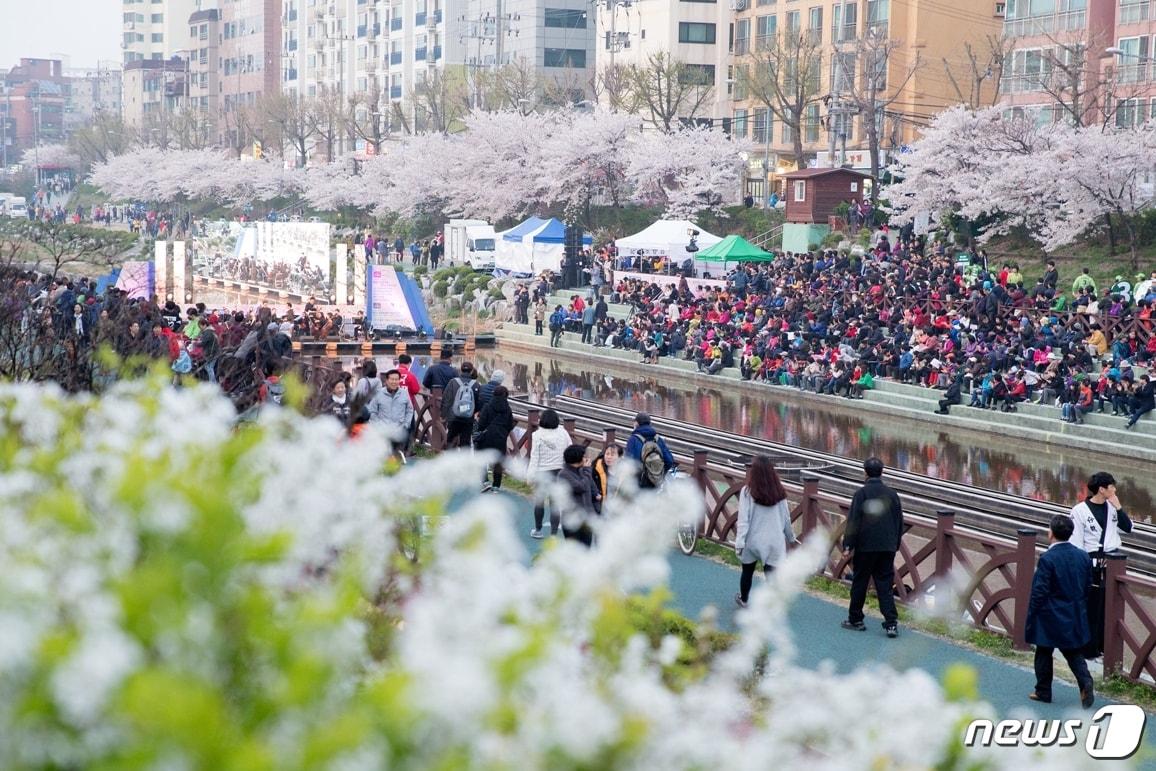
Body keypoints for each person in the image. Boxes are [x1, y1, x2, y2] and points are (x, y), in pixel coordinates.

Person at [1026, 514, 1095, 709]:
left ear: (1051, 533)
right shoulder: (1083, 556)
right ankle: (1085, 681)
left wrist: (1032, 613)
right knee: (1072, 651)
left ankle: (1043, 691)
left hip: (1049, 613)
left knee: (1043, 650)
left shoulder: (1047, 558)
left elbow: (1039, 590)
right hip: (1074, 611)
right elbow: (1088, 585)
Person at [1069, 471, 1134, 658]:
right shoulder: (1080, 510)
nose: (1115, 489)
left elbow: (1128, 528)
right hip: (1090, 563)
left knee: (1110, 606)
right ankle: (1088, 648)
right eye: (1111, 486)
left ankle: (1106, 648)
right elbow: (1076, 542)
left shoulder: (1112, 508)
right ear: (1101, 489)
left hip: (1112, 563)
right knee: (1090, 605)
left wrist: (1119, 507)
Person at [841, 457, 903, 638]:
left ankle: (855, 619)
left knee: (860, 582)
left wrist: (848, 545)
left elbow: (853, 521)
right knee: (885, 585)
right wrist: (895, 543)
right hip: (887, 546)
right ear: (882, 472)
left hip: (866, 546)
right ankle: (891, 624)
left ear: (865, 472)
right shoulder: (892, 494)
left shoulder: (861, 494)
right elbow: (899, 521)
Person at [733, 456, 799, 608]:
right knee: (771, 575)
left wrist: (740, 542)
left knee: (747, 571)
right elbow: (786, 519)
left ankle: (744, 599)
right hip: (774, 540)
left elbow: (743, 520)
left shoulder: (747, 492)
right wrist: (791, 538)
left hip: (753, 539)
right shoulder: (779, 492)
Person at [528, 409, 572, 538]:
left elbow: (534, 458)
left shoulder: (537, 435)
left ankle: (538, 530)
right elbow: (569, 449)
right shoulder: (563, 432)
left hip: (542, 473)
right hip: (559, 472)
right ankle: (553, 534)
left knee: (539, 502)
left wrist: (530, 476)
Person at [475, 385, 514, 492]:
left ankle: (485, 482)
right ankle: (496, 486)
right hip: (500, 438)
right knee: (498, 462)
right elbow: (510, 425)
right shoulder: (507, 409)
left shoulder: (487, 406)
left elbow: (481, 424)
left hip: (487, 437)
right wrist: (503, 433)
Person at [557, 444, 598, 547]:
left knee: (586, 549)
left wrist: (597, 494)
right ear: (577, 458)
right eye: (584, 456)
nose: (586, 458)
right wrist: (587, 470)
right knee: (574, 551)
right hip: (572, 520)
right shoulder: (564, 474)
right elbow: (580, 487)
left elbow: (592, 487)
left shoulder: (582, 470)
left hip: (587, 518)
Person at [624, 412, 675, 489]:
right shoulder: (658, 439)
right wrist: (658, 473)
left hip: (638, 485)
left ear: (636, 423)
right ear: (649, 423)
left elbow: (629, 462)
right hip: (655, 485)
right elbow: (669, 461)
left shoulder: (633, 439)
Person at [368, 369, 415, 448]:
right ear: (386, 381)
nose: (394, 382)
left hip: (399, 432)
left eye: (396, 379)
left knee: (398, 453)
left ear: (399, 380)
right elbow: (372, 411)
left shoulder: (404, 393)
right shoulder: (379, 394)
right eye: (392, 379)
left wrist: (406, 425)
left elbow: (409, 410)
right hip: (383, 432)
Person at [440, 361, 480, 449]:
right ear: (471, 371)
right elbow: (478, 403)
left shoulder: (453, 382)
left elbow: (446, 400)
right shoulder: (476, 384)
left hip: (453, 416)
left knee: (450, 439)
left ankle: (449, 456)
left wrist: (443, 415)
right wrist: (472, 412)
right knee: (465, 442)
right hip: (468, 418)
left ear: (461, 370)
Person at [590, 444, 622, 515]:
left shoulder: (624, 471)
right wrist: (596, 494)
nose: (609, 457)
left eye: (612, 455)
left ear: (619, 457)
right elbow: (589, 486)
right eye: (607, 454)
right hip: (598, 508)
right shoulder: (595, 469)